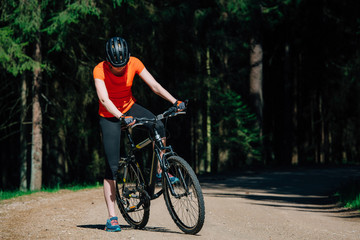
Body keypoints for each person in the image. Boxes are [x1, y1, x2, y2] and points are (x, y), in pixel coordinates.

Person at [93, 37, 185, 232]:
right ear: (108, 61)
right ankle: (112, 218)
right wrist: (121, 117)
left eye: (123, 65)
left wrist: (175, 101)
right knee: (112, 167)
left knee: (158, 125)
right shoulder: (99, 69)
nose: (120, 68)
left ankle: (161, 171)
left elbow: (155, 85)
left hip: (129, 106)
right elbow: (103, 98)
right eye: (115, 66)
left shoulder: (134, 63)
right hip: (109, 115)